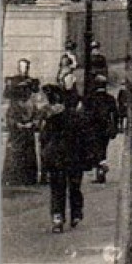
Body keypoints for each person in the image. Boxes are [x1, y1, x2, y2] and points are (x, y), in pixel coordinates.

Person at [41, 85, 86, 233]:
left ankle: (58, 218)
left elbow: (44, 139)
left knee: (57, 188)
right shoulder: (77, 118)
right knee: (74, 187)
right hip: (73, 157)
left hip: (57, 158)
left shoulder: (51, 119)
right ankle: (76, 214)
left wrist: (45, 159)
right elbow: (84, 138)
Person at [3, 61, 42, 187]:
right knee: (15, 154)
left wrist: (32, 124)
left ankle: (28, 178)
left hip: (27, 132)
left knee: (28, 154)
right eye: (22, 89)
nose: (25, 92)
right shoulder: (14, 104)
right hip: (17, 133)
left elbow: (37, 116)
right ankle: (14, 177)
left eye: (26, 90)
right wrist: (17, 124)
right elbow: (9, 117)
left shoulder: (32, 104)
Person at [82, 76, 120, 184]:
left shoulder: (90, 98)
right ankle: (101, 172)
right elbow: (115, 115)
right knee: (103, 149)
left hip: (93, 128)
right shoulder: (110, 98)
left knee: (95, 149)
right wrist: (115, 127)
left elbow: (86, 114)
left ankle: (101, 167)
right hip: (106, 128)